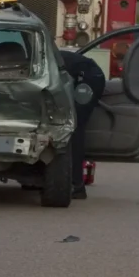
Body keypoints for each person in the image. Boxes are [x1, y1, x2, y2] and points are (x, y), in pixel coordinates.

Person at [59, 49, 106, 200]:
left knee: (74, 127)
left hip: (89, 78)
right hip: (79, 76)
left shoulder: (42, 58)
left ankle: (77, 185)